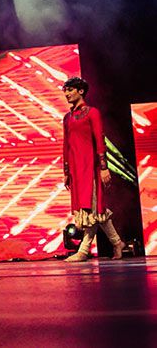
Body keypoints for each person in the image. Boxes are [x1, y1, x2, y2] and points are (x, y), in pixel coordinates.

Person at [62, 77, 125, 261]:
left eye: (70, 90)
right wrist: (66, 172)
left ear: (81, 91)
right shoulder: (67, 118)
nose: (66, 94)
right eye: (65, 90)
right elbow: (66, 146)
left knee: (93, 208)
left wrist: (104, 167)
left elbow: (100, 140)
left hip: (91, 168)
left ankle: (83, 250)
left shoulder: (92, 113)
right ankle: (117, 243)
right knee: (95, 211)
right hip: (76, 169)